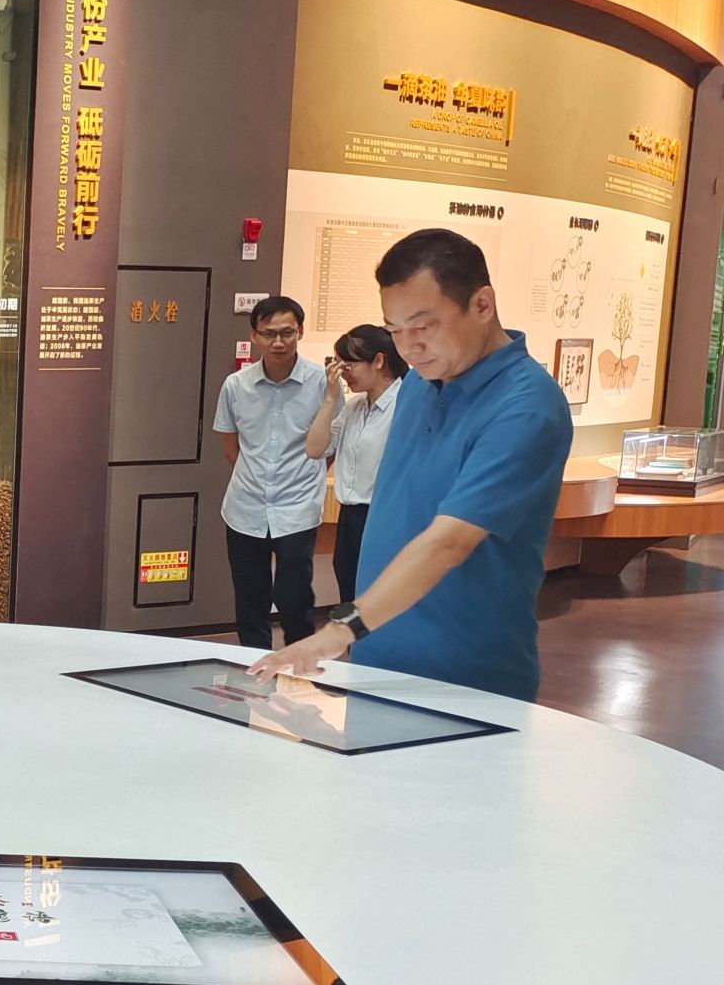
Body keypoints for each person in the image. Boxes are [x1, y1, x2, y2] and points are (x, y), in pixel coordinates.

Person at [252, 229, 571, 701]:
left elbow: (449, 541)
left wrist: (339, 629)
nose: (409, 347)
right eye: (396, 330)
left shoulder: (526, 407)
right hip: (378, 661)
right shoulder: (421, 383)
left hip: (466, 677)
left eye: (423, 326)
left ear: (482, 305)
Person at [214, 295, 328, 649]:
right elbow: (230, 448)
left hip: (297, 508)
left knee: (295, 598)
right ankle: (254, 666)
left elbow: (328, 448)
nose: (278, 342)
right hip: (245, 508)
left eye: (287, 333)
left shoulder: (321, 383)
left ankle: (299, 666)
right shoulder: (236, 385)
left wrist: (302, 480)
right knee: (250, 598)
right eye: (269, 334)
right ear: (254, 336)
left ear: (300, 332)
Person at [305, 323, 405, 604]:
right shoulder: (355, 406)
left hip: (384, 517)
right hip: (350, 517)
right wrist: (330, 398)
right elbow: (315, 449)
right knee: (350, 593)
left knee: (378, 600)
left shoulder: (406, 403)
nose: (343, 373)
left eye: (348, 365)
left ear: (379, 361)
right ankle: (352, 636)